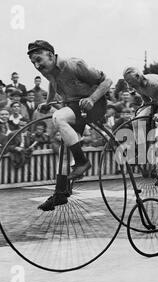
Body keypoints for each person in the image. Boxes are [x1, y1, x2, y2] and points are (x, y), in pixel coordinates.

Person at [27, 40, 112, 211]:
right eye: (33, 62)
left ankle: (82, 162)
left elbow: (107, 81)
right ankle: (60, 193)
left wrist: (91, 99)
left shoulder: (74, 65)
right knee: (65, 150)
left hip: (93, 105)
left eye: (38, 60)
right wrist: (48, 102)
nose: (36, 65)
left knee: (58, 118)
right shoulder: (47, 69)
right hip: (74, 107)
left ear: (50, 55)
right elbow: (52, 83)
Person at [123, 67, 158, 186]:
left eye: (131, 82)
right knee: (135, 121)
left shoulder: (153, 82)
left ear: (138, 77)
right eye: (127, 82)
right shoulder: (136, 85)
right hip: (157, 105)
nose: (130, 85)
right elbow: (146, 99)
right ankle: (143, 152)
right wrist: (140, 111)